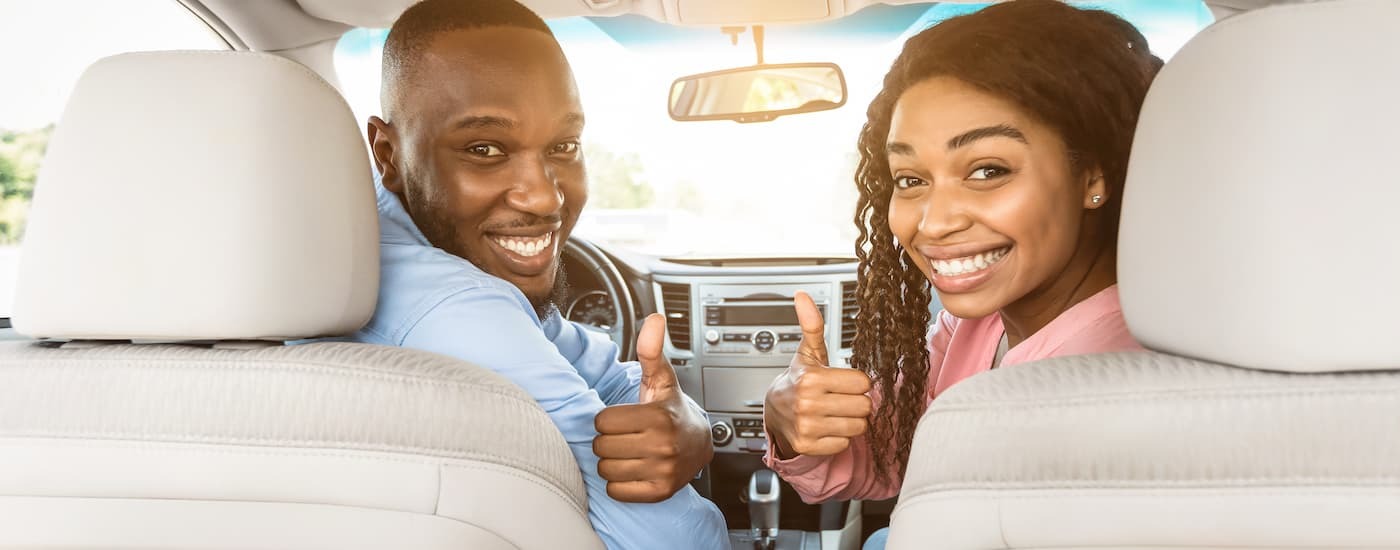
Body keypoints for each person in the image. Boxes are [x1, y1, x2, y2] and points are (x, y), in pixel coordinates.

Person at [761, 1, 1162, 546]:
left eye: (987, 170)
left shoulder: (1121, 381)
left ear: (1094, 174)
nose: (934, 222)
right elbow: (901, 452)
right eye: (909, 179)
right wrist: (797, 426)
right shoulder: (981, 323)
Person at [348, 0, 727, 548]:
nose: (545, 196)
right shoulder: (457, 307)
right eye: (484, 149)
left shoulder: (366, 251)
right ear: (388, 153)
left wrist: (684, 421)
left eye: (563, 147)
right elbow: (674, 542)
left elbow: (598, 367)